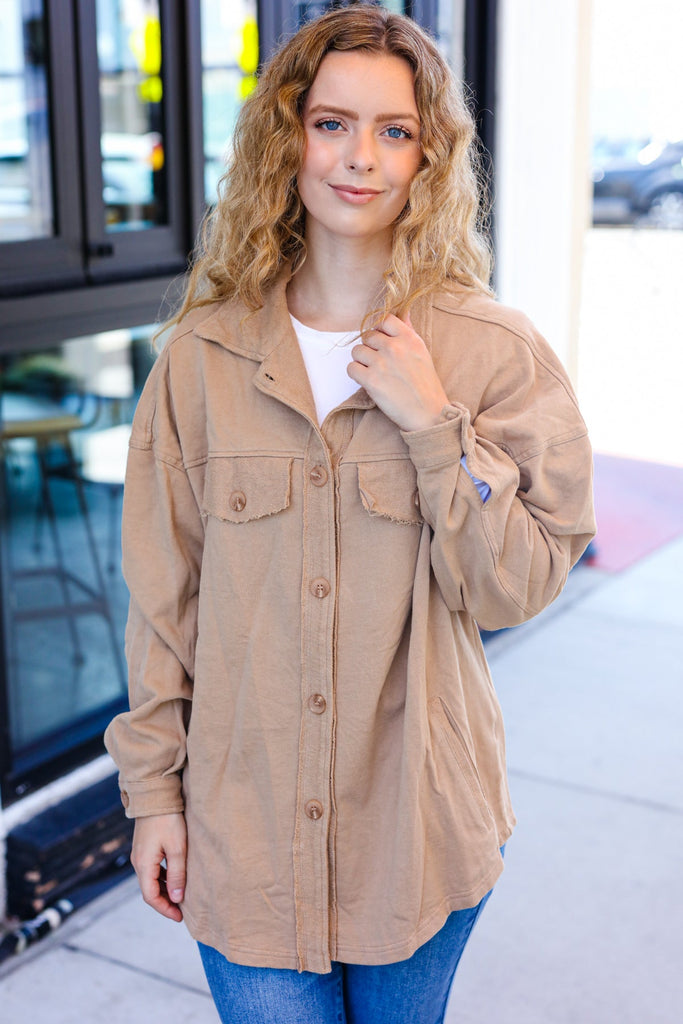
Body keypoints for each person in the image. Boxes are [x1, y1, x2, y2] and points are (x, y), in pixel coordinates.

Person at [104, 5, 595, 1022]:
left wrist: (432, 427)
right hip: (245, 839)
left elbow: (514, 584)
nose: (357, 158)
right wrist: (154, 795)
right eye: (329, 123)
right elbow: (164, 601)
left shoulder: (491, 351)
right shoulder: (202, 357)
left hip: (418, 837)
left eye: (392, 129)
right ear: (287, 137)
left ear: (428, 155)